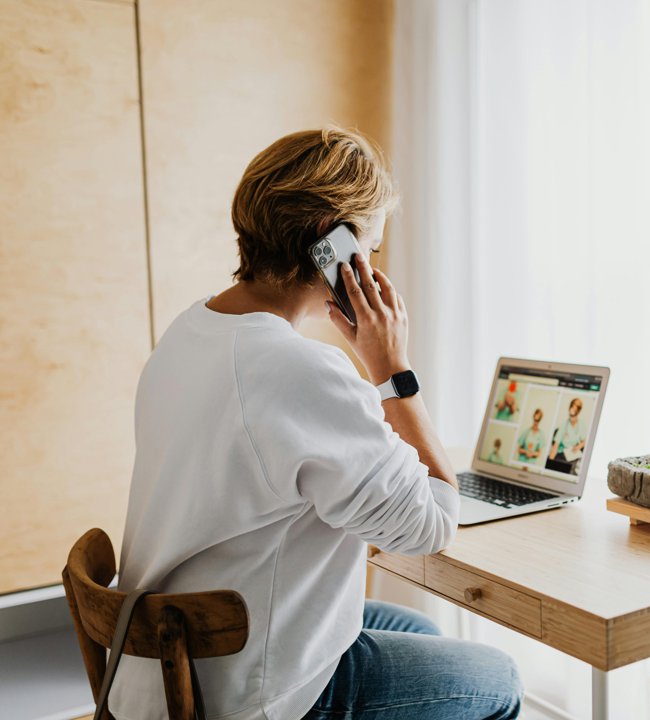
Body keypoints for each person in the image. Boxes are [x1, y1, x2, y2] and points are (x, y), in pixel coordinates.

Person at [111, 127, 522, 720]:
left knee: (416, 628)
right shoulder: (297, 370)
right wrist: (390, 369)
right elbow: (432, 525)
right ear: (334, 246)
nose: (372, 265)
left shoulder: (189, 330)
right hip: (247, 690)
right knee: (500, 679)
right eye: (370, 249)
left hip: (163, 658)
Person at [548, 397, 588, 464]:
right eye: (572, 406)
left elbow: (584, 441)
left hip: (573, 455)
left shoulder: (581, 425)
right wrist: (550, 462)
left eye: (576, 407)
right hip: (562, 454)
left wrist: (578, 446)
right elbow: (555, 447)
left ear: (579, 411)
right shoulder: (564, 425)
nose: (573, 409)